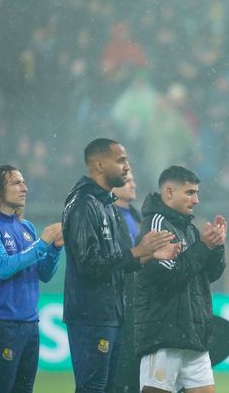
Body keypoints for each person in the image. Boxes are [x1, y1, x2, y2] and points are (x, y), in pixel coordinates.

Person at [62, 138, 180, 393]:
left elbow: (116, 260)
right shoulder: (83, 204)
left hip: (111, 314)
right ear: (99, 165)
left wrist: (149, 256)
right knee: (93, 388)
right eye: (120, 160)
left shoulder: (106, 205)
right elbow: (90, 265)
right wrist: (137, 251)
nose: (127, 167)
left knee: (110, 388)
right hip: (90, 314)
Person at [134, 165, 227, 393]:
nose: (196, 199)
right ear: (168, 192)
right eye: (189, 192)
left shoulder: (189, 229)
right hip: (164, 336)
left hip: (194, 336)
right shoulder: (155, 225)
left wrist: (216, 247)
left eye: (196, 193)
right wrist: (204, 246)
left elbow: (208, 276)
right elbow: (170, 275)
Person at [0, 164, 63, 393]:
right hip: (1, 323)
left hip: (30, 325)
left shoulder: (26, 227)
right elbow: (3, 267)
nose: (24, 188)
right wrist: (42, 243)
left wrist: (54, 249)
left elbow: (44, 274)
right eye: (16, 182)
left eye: (24, 182)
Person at [112, 170, 141, 393]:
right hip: (118, 302)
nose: (133, 184)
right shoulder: (108, 215)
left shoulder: (136, 216)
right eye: (127, 180)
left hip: (137, 301)